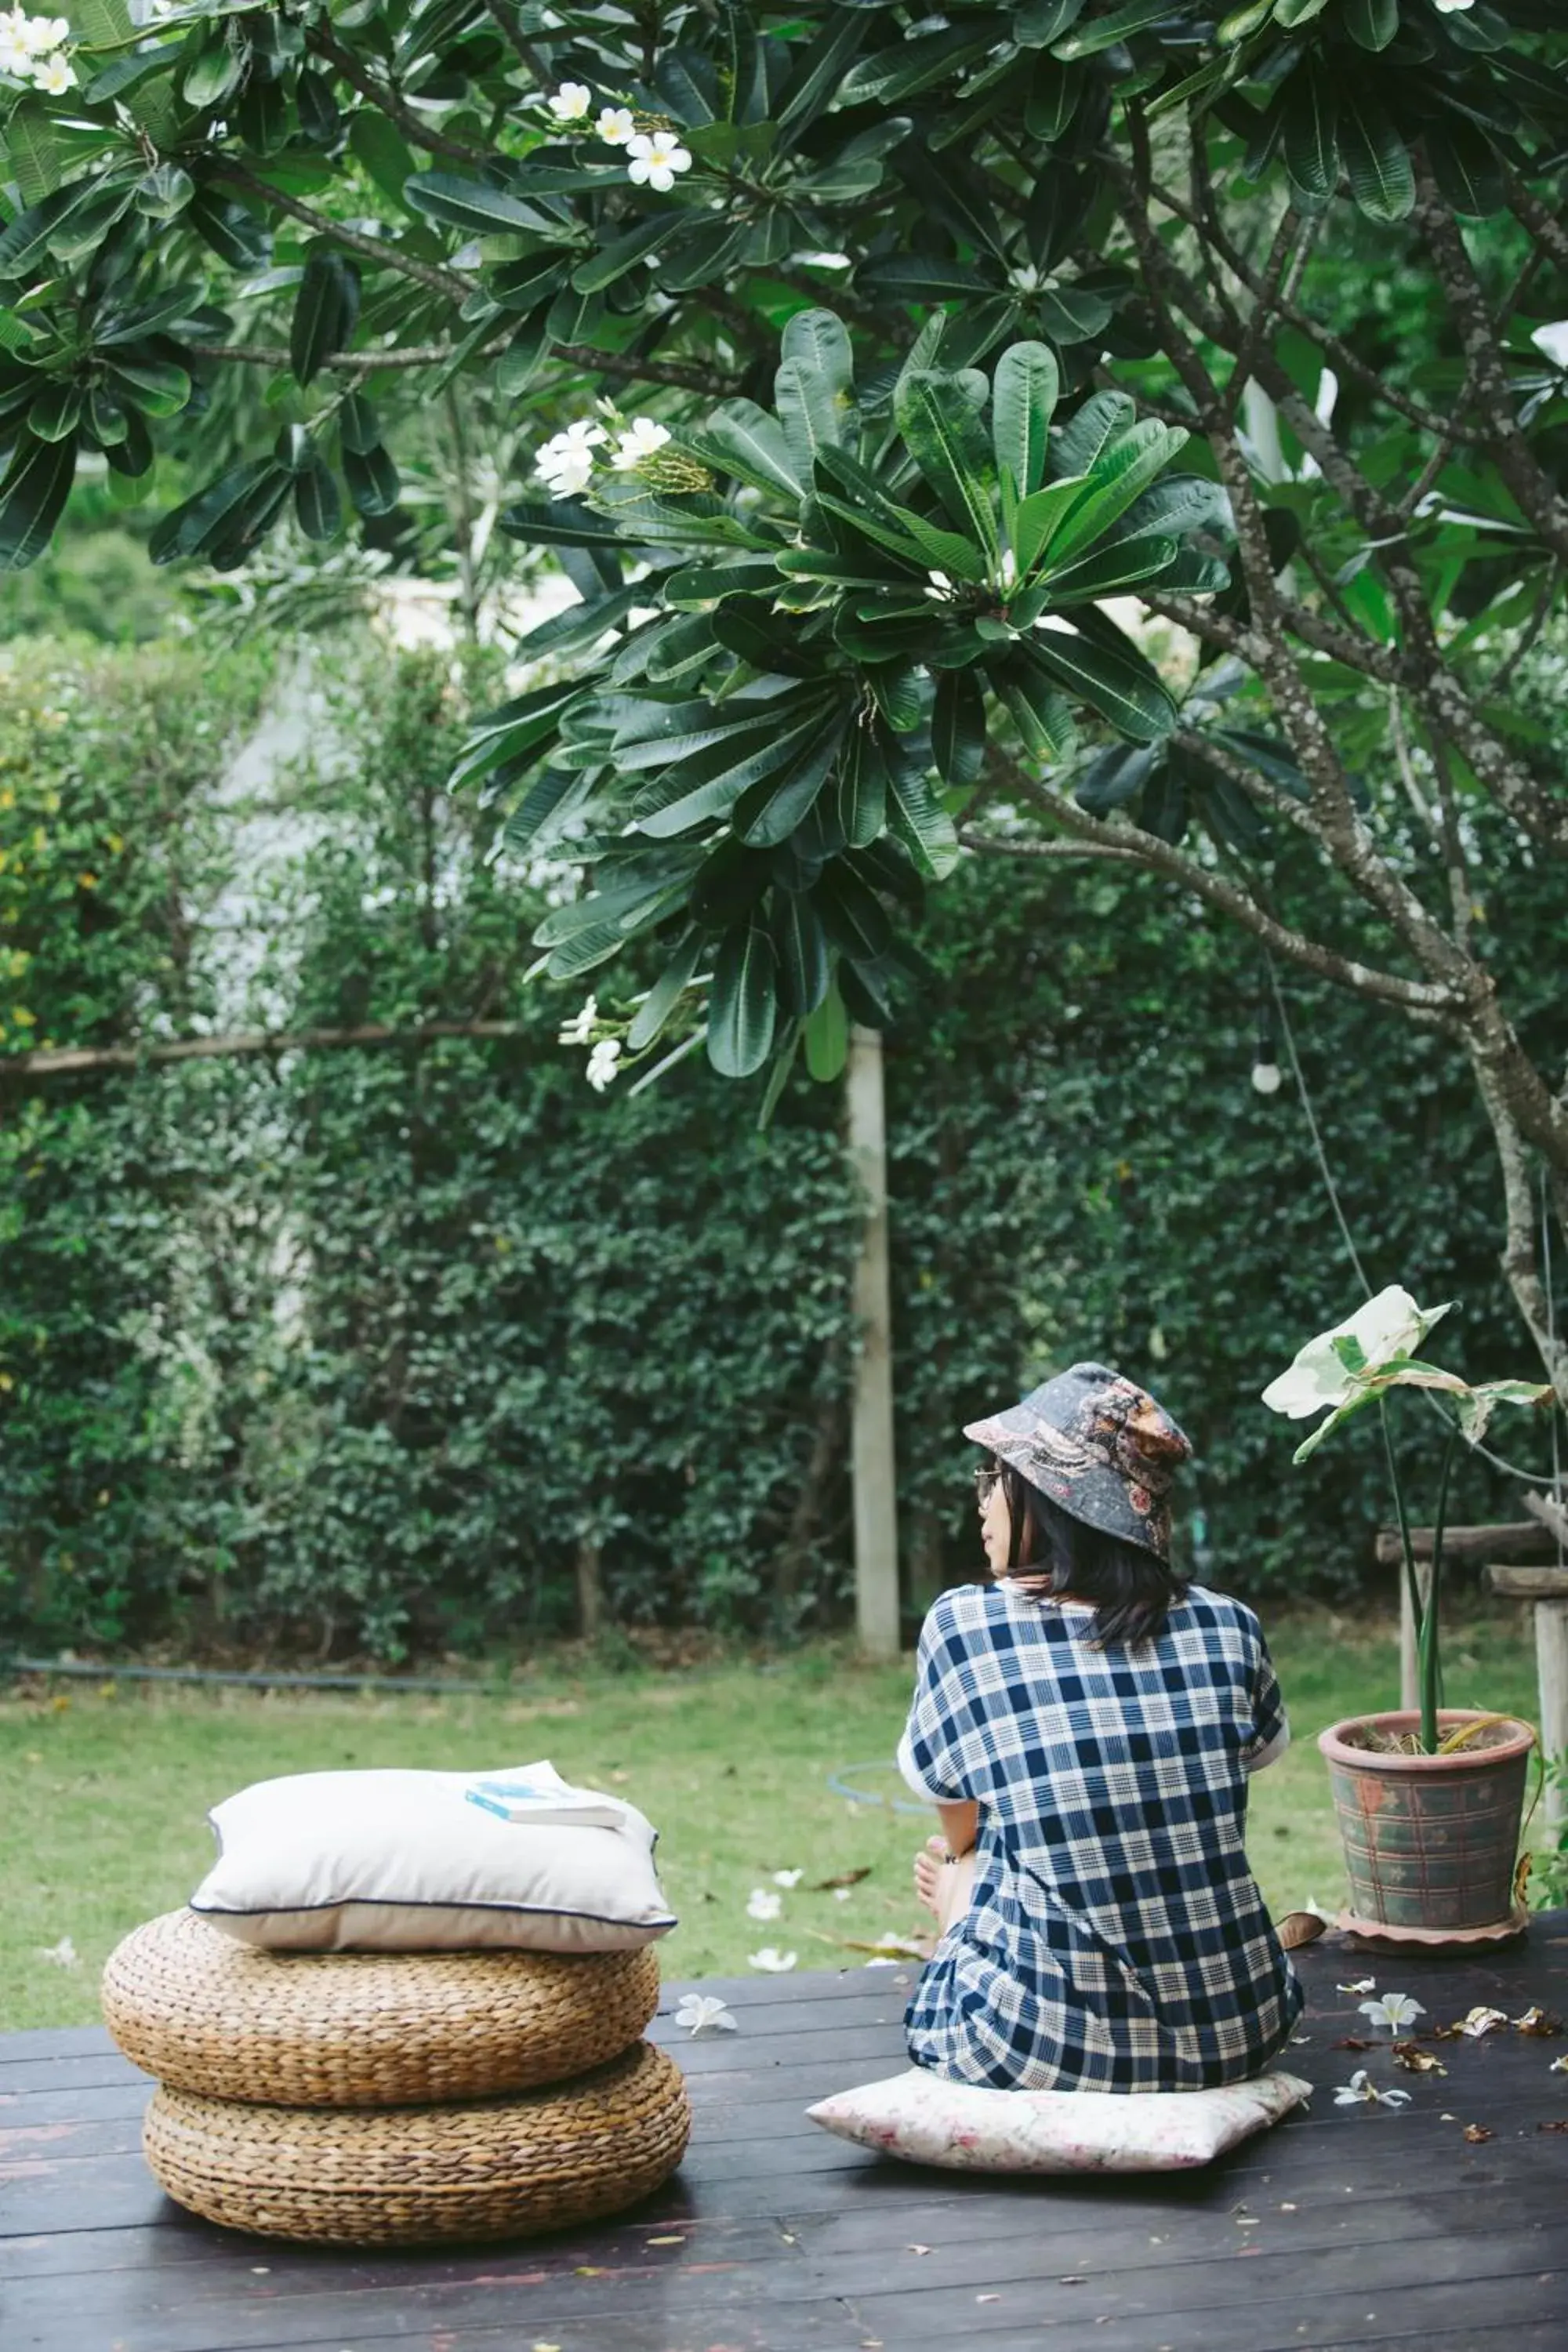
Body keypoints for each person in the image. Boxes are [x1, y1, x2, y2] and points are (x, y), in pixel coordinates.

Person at [899, 1362, 1309, 2092]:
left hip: (1040, 2048)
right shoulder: (1229, 1625)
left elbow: (959, 1828)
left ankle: (961, 1924)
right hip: (1240, 2029)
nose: (984, 1498)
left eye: (996, 1476)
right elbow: (1226, 1771)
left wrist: (963, 1887)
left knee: (964, 1861)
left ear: (1050, 1499)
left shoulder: (968, 1627)